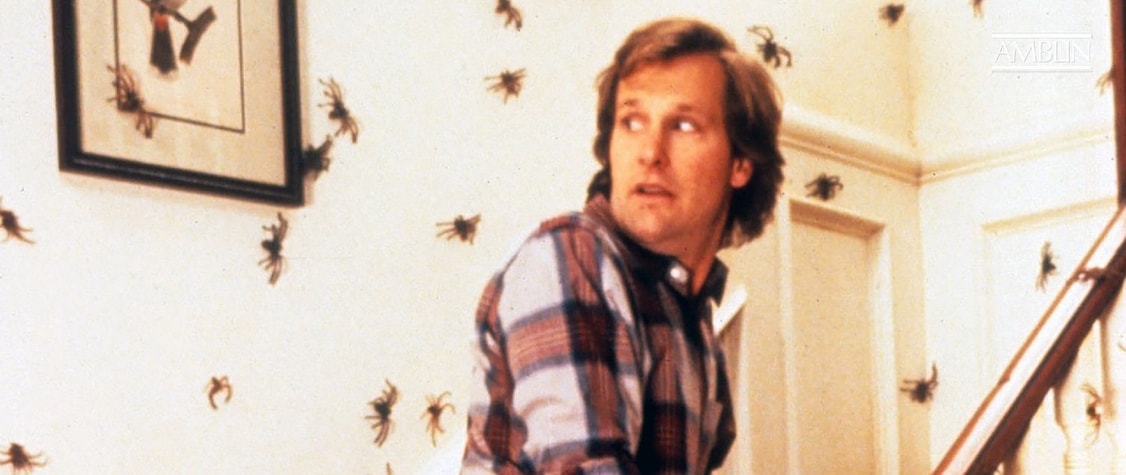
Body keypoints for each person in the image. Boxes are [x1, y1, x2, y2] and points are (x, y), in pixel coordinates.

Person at [461, 16, 785, 474]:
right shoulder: (571, 257)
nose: (650, 153)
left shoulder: (695, 325)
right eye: (632, 122)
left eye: (684, 125)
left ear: (740, 164)